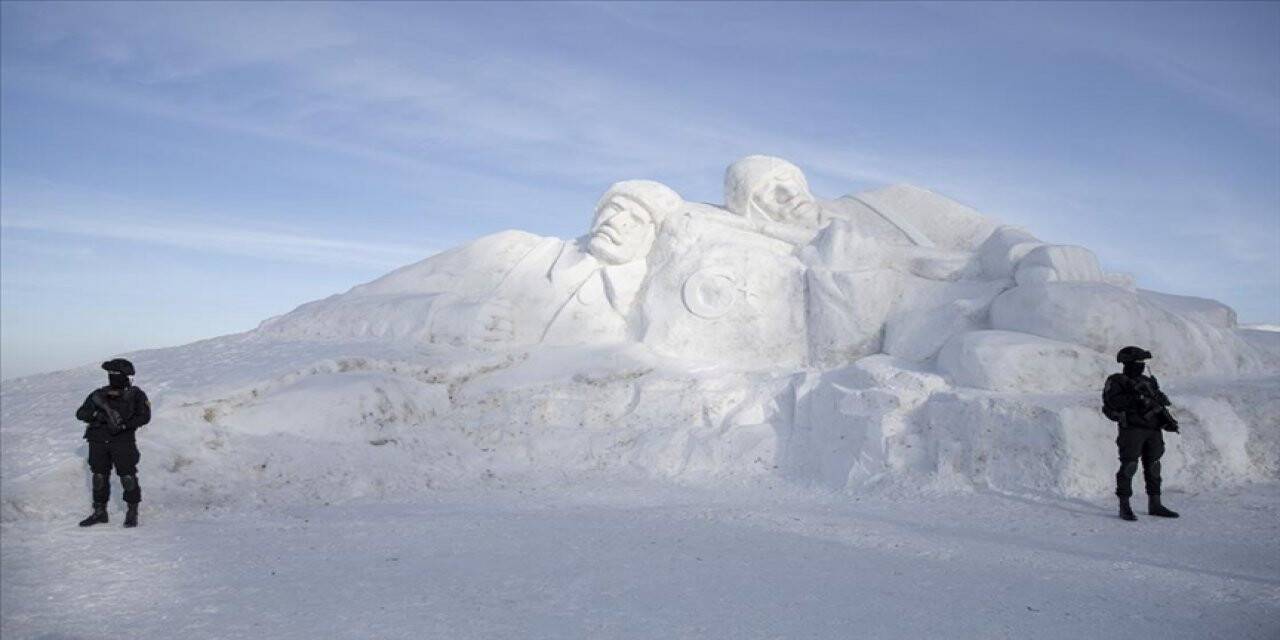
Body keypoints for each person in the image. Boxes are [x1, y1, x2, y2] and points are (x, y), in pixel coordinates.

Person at [1102, 346, 1180, 521]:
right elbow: (1111, 402)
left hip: (1153, 429)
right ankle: (1124, 505)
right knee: (1129, 466)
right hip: (1132, 429)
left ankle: (1155, 503)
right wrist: (1136, 398)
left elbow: (1159, 403)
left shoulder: (1149, 382)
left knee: (1154, 466)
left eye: (1142, 363)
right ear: (1127, 363)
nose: (1141, 366)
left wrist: (1167, 420)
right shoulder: (1117, 381)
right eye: (1137, 362)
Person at [75, 358, 151, 528]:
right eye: (128, 375)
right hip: (98, 441)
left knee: (127, 477)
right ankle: (100, 512)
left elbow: (145, 416)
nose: (130, 379)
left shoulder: (136, 394)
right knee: (99, 477)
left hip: (123, 441)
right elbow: (81, 413)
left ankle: (132, 512)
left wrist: (124, 425)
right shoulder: (99, 394)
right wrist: (98, 416)